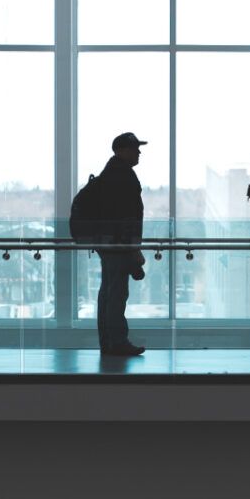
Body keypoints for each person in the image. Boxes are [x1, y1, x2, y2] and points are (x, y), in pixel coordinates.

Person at [96, 132, 148, 356]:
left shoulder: (109, 174)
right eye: (135, 148)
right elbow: (128, 217)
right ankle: (118, 342)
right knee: (117, 293)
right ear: (123, 150)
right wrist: (134, 248)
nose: (139, 152)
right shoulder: (123, 176)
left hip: (107, 242)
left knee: (108, 292)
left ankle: (108, 342)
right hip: (119, 244)